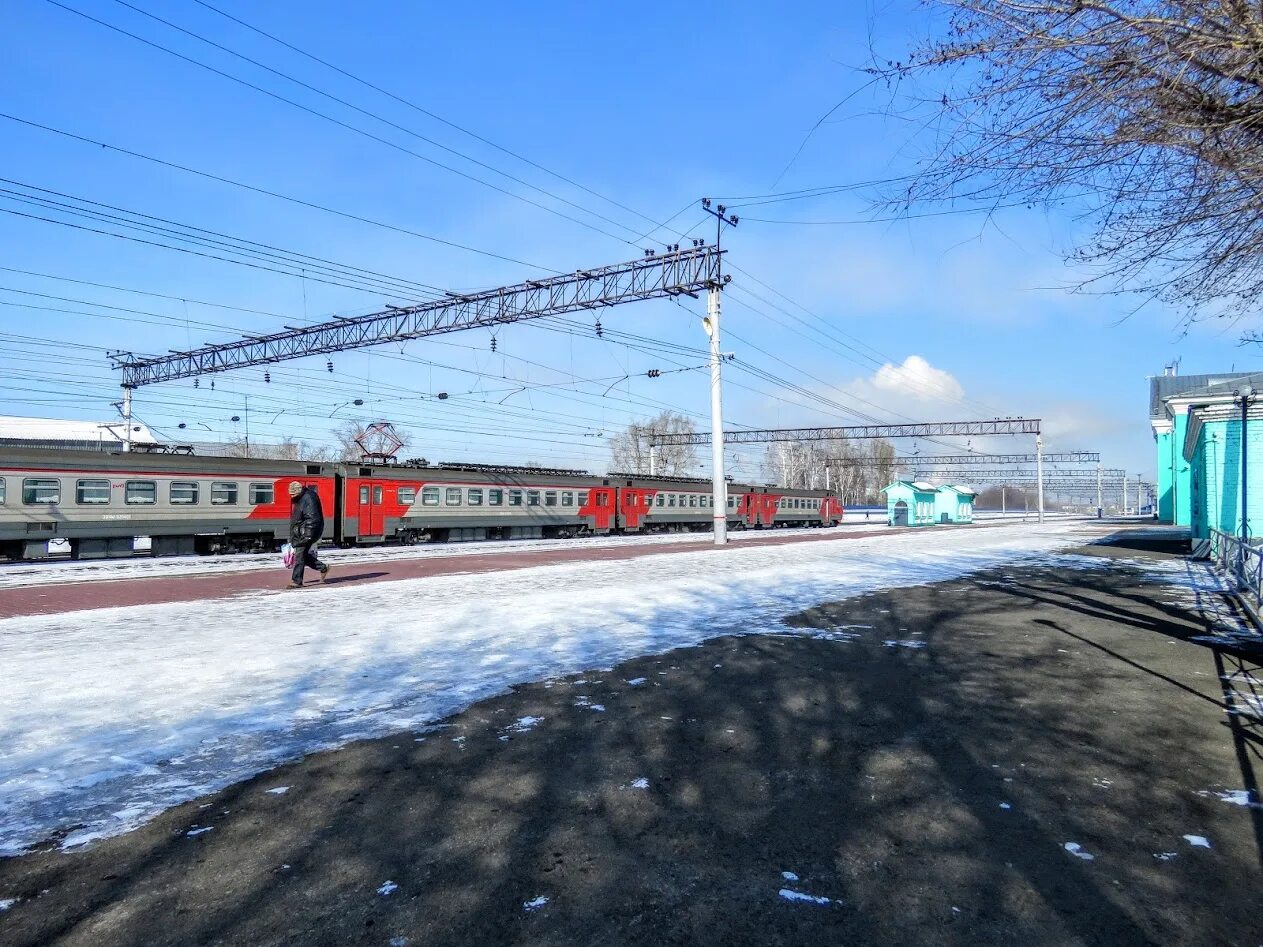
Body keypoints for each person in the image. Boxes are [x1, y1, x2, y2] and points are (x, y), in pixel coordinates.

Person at [288, 480, 330, 588]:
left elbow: (312, 519)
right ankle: (323, 568)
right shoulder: (301, 498)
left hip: (306, 532)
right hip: (302, 532)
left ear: (298, 492)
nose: (291, 496)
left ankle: (296, 581)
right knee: (303, 556)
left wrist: (307, 535)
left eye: (293, 494)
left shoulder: (308, 498)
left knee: (300, 555)